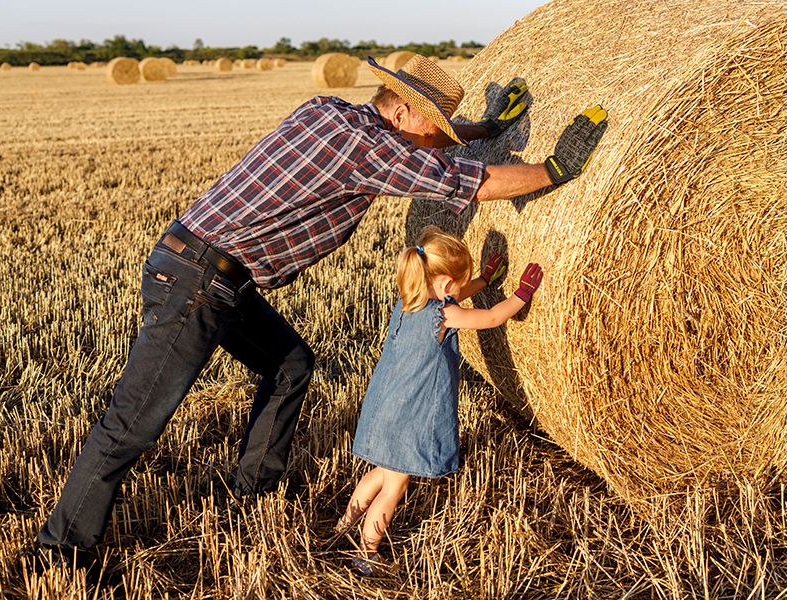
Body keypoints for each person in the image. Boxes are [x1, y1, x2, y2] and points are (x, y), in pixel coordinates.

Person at [35, 53, 606, 568]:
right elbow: (464, 181)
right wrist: (555, 171)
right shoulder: (368, 149)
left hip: (213, 273)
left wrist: (483, 129)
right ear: (403, 114)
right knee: (133, 423)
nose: (435, 143)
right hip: (198, 283)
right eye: (434, 130)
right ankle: (61, 549)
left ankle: (253, 490)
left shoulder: (330, 111)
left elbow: (426, 150)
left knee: (291, 366)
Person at [334, 225, 543, 575]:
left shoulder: (408, 301)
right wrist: (521, 296)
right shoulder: (444, 315)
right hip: (408, 416)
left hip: (385, 407)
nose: (460, 290)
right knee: (394, 487)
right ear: (446, 284)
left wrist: (483, 281)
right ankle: (365, 552)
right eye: (459, 284)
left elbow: (454, 295)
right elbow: (492, 317)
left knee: (380, 473)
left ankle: (343, 525)